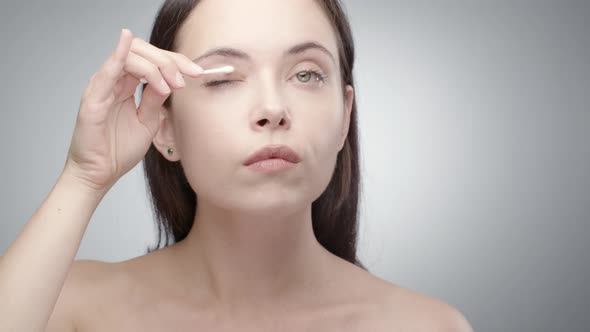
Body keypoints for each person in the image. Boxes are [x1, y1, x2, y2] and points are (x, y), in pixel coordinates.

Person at [0, 0, 474, 330]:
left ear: (345, 114)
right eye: (224, 78)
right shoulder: (70, 308)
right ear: (164, 126)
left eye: (306, 74)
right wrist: (83, 177)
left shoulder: (430, 326)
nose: (272, 107)